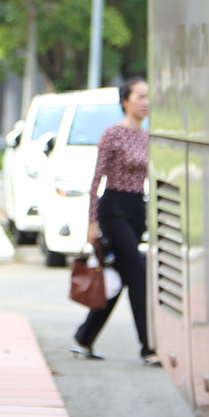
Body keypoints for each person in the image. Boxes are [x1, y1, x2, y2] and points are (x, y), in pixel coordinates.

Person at [70, 78, 155, 364]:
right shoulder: (112, 135)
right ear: (125, 101)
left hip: (136, 209)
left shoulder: (148, 137)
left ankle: (84, 337)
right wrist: (91, 223)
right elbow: (96, 181)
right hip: (114, 208)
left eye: (148, 97)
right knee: (139, 273)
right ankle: (148, 347)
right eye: (140, 96)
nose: (145, 102)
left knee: (119, 279)